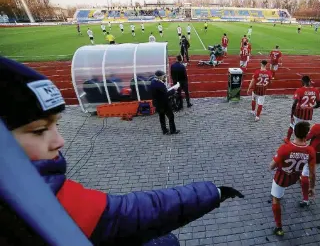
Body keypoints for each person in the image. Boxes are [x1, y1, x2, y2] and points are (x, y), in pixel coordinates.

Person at [0, 57, 245, 245]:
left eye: (57, 125)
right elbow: (131, 213)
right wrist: (212, 192)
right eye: (39, 130)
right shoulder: (44, 200)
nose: (60, 141)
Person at [270, 121, 316, 236]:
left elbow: (271, 166)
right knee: (301, 179)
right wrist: (312, 187)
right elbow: (312, 173)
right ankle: (305, 199)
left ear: (294, 133)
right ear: (307, 135)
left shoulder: (284, 148)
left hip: (281, 178)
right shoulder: (310, 150)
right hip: (295, 177)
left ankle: (279, 227)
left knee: (276, 199)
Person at [284, 76, 320, 143]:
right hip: (309, 115)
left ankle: (288, 139)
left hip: (298, 113)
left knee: (292, 126)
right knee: (305, 129)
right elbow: (318, 105)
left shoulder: (299, 90)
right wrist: (310, 107)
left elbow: (294, 104)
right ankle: (303, 141)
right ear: (310, 81)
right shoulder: (316, 91)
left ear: (302, 82)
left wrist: (292, 115)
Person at [150, 70, 180, 135]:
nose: (165, 78)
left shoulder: (153, 82)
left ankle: (164, 130)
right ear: (159, 77)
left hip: (157, 103)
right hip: (164, 104)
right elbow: (166, 94)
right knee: (171, 116)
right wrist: (174, 89)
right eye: (164, 76)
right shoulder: (160, 85)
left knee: (161, 117)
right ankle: (173, 130)